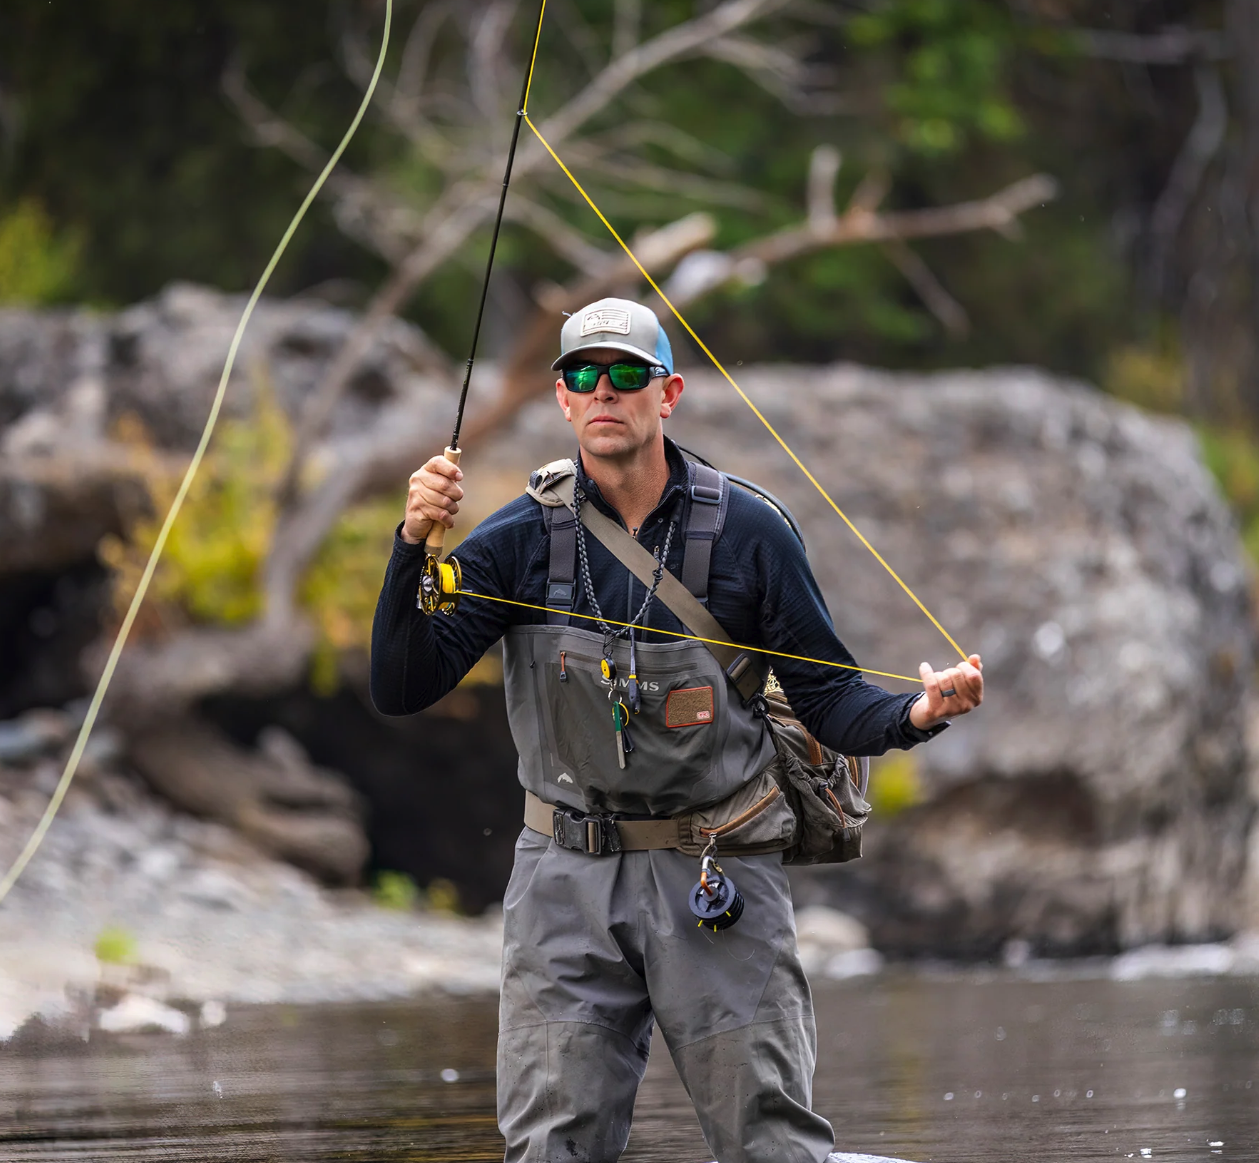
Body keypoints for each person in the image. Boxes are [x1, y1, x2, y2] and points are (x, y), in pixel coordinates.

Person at [370, 297, 983, 1163]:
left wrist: (919, 713)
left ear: (669, 394)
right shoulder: (515, 538)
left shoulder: (749, 532)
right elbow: (400, 684)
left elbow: (832, 699)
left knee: (767, 1142)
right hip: (561, 881)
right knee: (551, 1149)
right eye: (584, 375)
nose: (604, 391)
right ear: (561, 398)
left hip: (716, 867)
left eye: (628, 374)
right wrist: (409, 545)